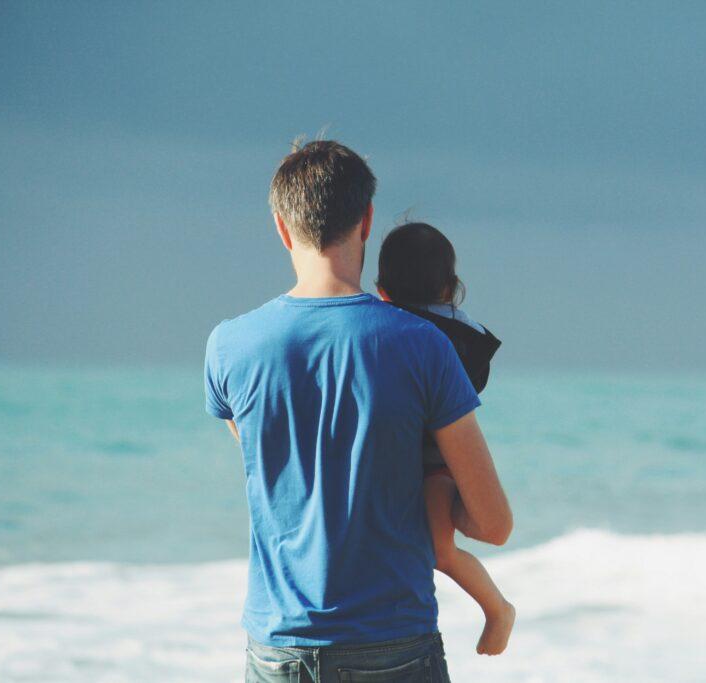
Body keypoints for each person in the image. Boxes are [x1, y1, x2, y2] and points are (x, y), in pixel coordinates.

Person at [203, 140, 513, 682]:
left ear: (281, 227)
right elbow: (493, 524)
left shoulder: (229, 346)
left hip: (278, 648)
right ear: (366, 220)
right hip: (392, 644)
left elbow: (276, 464)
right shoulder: (423, 345)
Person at [376, 222, 516, 656]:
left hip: (437, 464)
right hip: (439, 464)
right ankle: (496, 610)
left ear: (381, 290)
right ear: (451, 287)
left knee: (439, 549)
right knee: (439, 549)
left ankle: (498, 609)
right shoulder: (465, 333)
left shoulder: (384, 330)